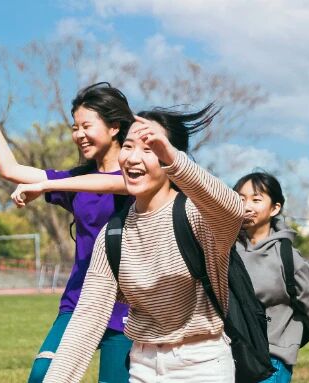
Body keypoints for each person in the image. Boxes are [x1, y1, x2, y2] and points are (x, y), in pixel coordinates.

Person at [43, 104, 245, 383]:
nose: (133, 158)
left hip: (202, 364)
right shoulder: (113, 234)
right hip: (142, 366)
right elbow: (87, 318)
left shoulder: (197, 217)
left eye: (149, 149)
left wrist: (175, 160)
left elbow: (233, 209)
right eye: (128, 146)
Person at [0, 80, 133, 383]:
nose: (78, 135)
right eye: (75, 127)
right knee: (43, 376)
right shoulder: (76, 181)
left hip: (128, 304)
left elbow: (117, 183)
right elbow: (10, 169)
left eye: (87, 126)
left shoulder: (140, 175)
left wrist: (47, 184)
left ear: (114, 127)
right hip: (80, 299)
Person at [234, 172, 309, 382]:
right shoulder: (225, 249)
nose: (247, 206)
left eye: (256, 199)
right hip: (232, 357)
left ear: (275, 208)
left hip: (272, 360)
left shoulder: (287, 258)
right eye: (240, 199)